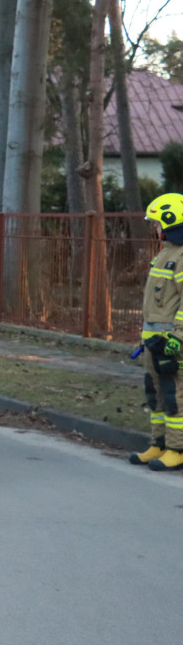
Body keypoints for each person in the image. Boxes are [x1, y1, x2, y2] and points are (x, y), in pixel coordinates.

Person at [130, 193, 183, 471]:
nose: (155, 228)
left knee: (175, 395)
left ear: (172, 222)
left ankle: (177, 449)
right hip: (153, 340)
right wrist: (144, 335)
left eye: (158, 222)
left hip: (172, 341)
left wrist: (178, 337)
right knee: (155, 394)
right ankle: (158, 445)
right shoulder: (165, 253)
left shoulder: (182, 256)